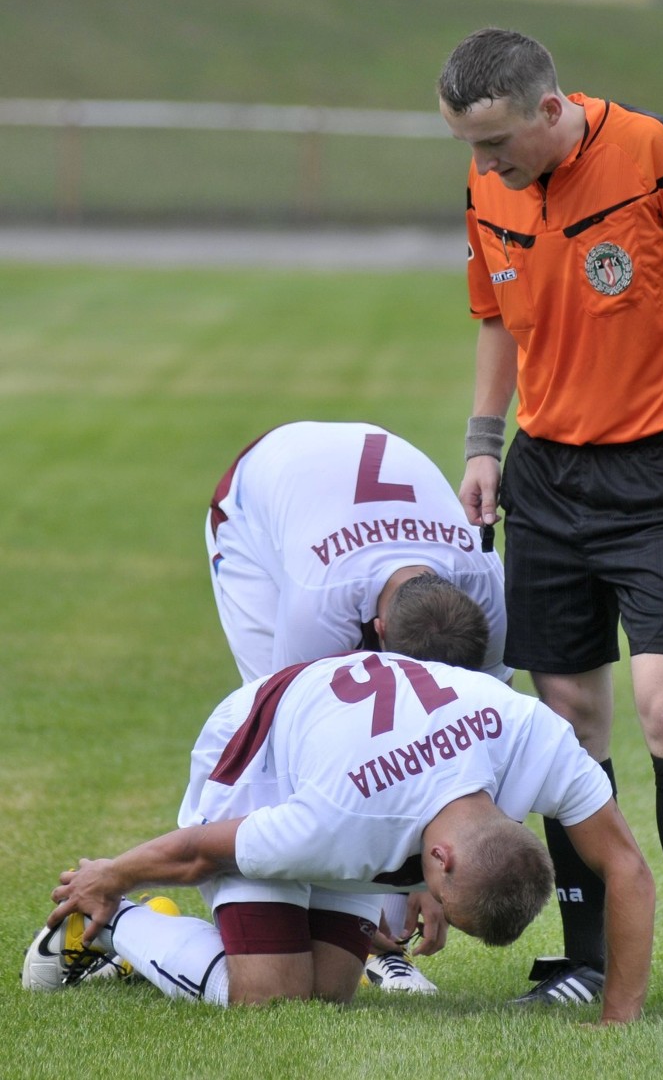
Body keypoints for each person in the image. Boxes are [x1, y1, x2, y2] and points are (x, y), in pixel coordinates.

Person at [437, 27, 663, 1021]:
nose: (486, 164)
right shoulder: (486, 183)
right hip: (546, 478)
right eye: (469, 145)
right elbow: (497, 316)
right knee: (570, 726)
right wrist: (483, 443)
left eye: (497, 143)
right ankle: (586, 957)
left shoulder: (660, 153)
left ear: (550, 109)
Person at [22, 585, 655, 1024]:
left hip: (354, 764)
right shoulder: (341, 821)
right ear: (441, 857)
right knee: (270, 999)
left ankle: (167, 943)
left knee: (327, 994)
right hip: (260, 758)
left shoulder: (537, 739)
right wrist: (109, 875)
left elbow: (627, 869)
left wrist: (618, 1020)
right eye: (448, 902)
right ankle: (114, 924)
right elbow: (195, 855)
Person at [205, 419, 511, 991]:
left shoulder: (488, 591)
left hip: (344, 495)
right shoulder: (317, 606)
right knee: (301, 737)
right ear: (376, 630)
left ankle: (370, 929)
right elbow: (298, 746)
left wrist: (424, 870)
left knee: (417, 743)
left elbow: (471, 733)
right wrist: (396, 875)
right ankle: (285, 920)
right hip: (252, 509)